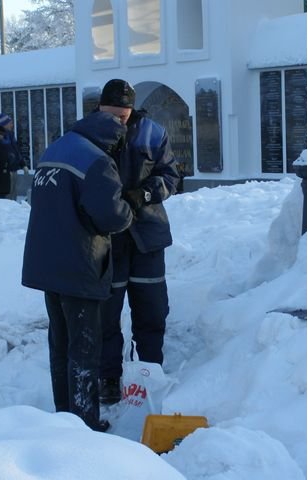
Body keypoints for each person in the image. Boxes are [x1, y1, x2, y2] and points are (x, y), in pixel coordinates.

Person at [21, 111, 134, 432]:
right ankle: (84, 426)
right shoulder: (96, 161)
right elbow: (112, 217)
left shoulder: (54, 151)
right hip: (79, 265)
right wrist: (129, 206)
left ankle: (64, 416)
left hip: (47, 263)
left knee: (60, 344)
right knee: (84, 349)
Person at [97, 79, 180, 405]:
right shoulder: (85, 134)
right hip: (106, 239)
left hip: (147, 234)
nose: (118, 120)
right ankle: (109, 377)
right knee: (106, 313)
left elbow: (171, 176)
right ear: (100, 107)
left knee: (152, 310)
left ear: (132, 109)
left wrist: (144, 193)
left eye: (123, 114)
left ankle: (150, 373)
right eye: (111, 114)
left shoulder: (152, 133)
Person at [0, 112, 27, 200]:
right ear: (4, 124)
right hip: (6, 170)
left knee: (14, 193)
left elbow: (16, 151)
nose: (12, 125)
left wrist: (23, 164)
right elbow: (3, 153)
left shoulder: (11, 135)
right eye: (10, 123)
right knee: (7, 193)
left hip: (14, 168)